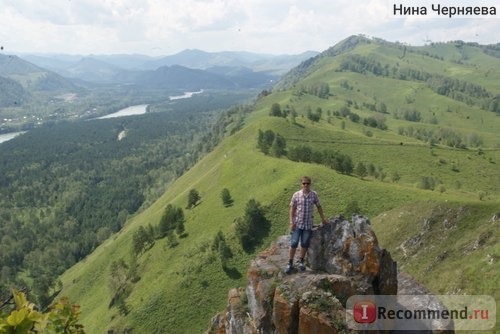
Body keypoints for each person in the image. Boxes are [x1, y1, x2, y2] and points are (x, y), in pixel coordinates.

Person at [285, 176, 328, 274]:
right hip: (297, 224)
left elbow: (319, 206)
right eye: (304, 183)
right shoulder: (296, 195)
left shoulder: (314, 195)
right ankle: (290, 263)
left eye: (307, 183)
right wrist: (291, 222)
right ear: (301, 184)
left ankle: (301, 261)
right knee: (294, 243)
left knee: (304, 243)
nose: (305, 185)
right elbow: (292, 209)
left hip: (308, 225)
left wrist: (323, 219)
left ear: (310, 184)